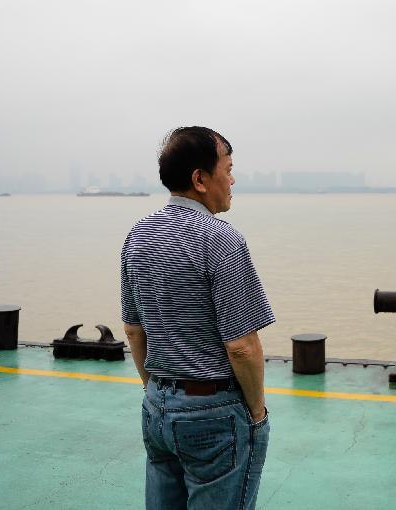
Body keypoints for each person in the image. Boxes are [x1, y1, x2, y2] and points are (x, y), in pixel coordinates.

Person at [121, 126, 275, 510]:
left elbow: (133, 330)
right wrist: (256, 413)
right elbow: (241, 346)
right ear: (200, 179)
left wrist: (154, 389)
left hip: (157, 406)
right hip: (214, 415)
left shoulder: (137, 236)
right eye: (228, 167)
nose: (233, 178)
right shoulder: (221, 238)